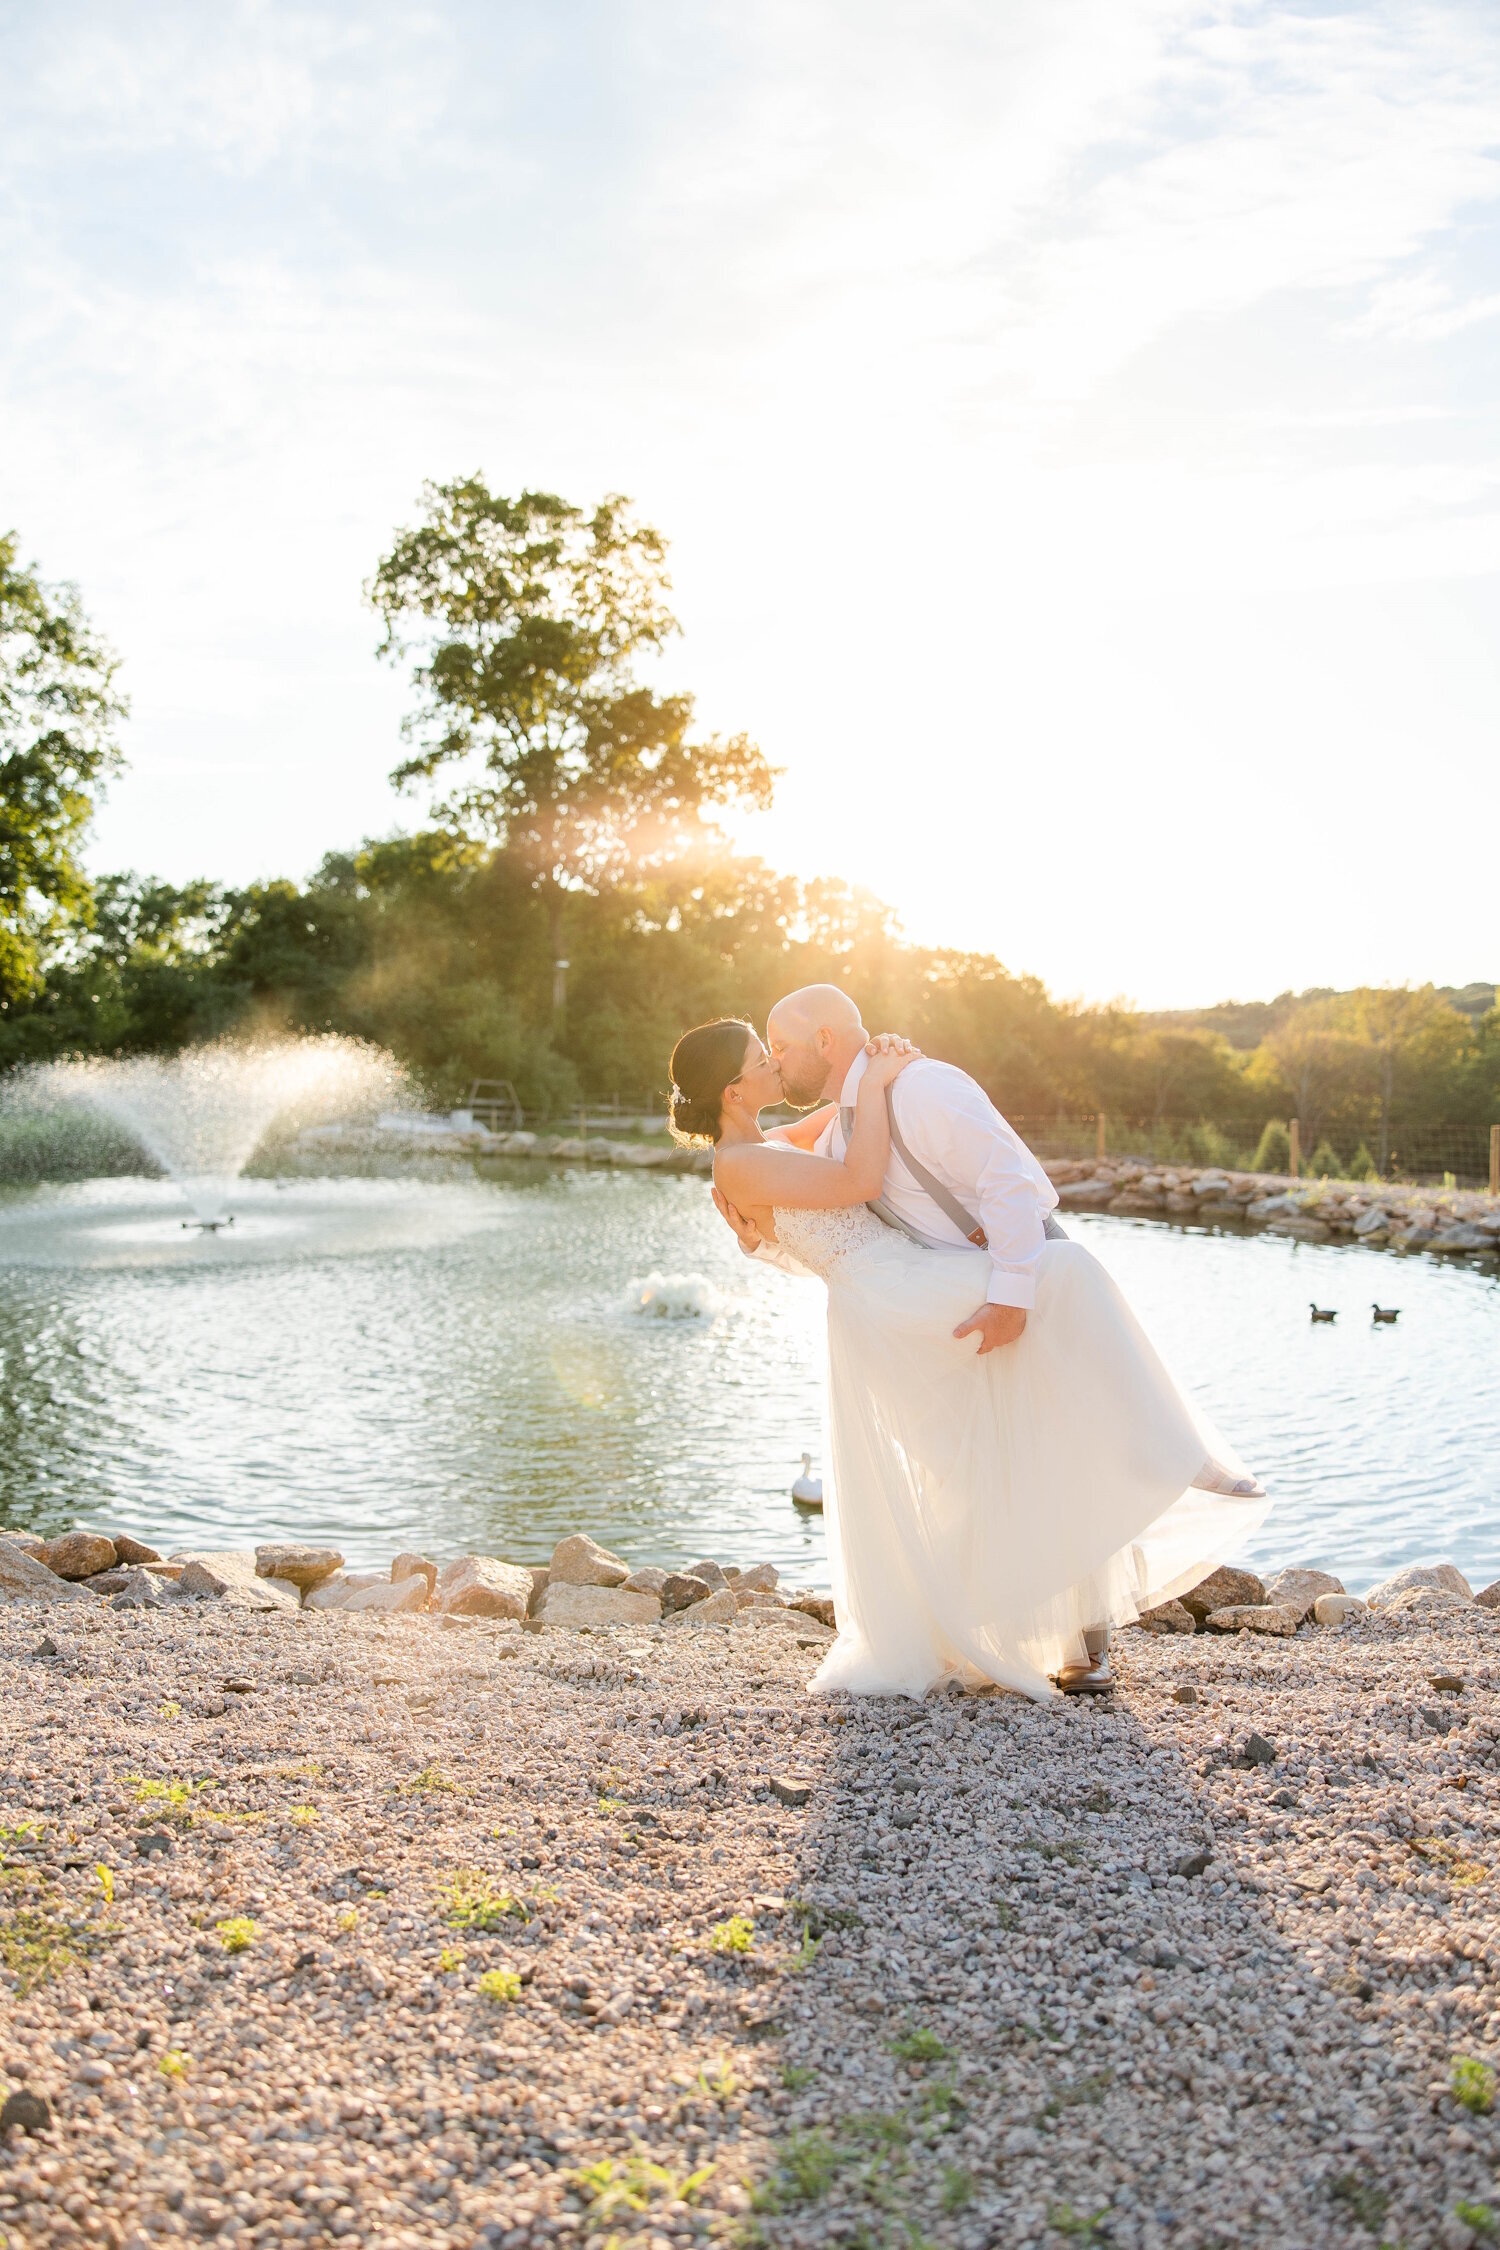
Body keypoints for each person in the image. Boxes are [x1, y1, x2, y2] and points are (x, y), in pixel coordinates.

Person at [670, 994, 1270, 1703]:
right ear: (735, 1091)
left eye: (779, 1048)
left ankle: (1068, 1615)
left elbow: (835, 1124)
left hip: (902, 1283)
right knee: (1065, 1278)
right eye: (759, 1058)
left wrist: (874, 1068)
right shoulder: (738, 1163)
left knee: (998, 1441)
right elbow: (858, 1182)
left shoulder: (769, 1141)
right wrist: (875, 1081)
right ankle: (1175, 1454)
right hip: (890, 1295)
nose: (773, 1062)